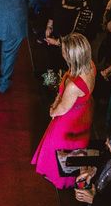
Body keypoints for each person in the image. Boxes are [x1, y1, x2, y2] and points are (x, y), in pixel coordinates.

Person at [32, 33, 95, 189]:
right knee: (74, 146)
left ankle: (57, 176)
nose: (62, 52)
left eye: (64, 50)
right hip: (83, 110)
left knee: (58, 144)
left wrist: (52, 110)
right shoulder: (90, 65)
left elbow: (60, 110)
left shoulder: (74, 86)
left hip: (70, 117)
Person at [44, 0, 97, 69]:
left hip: (69, 53)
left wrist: (58, 42)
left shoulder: (89, 6)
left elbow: (80, 36)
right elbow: (55, 5)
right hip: (54, 40)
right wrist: (50, 25)